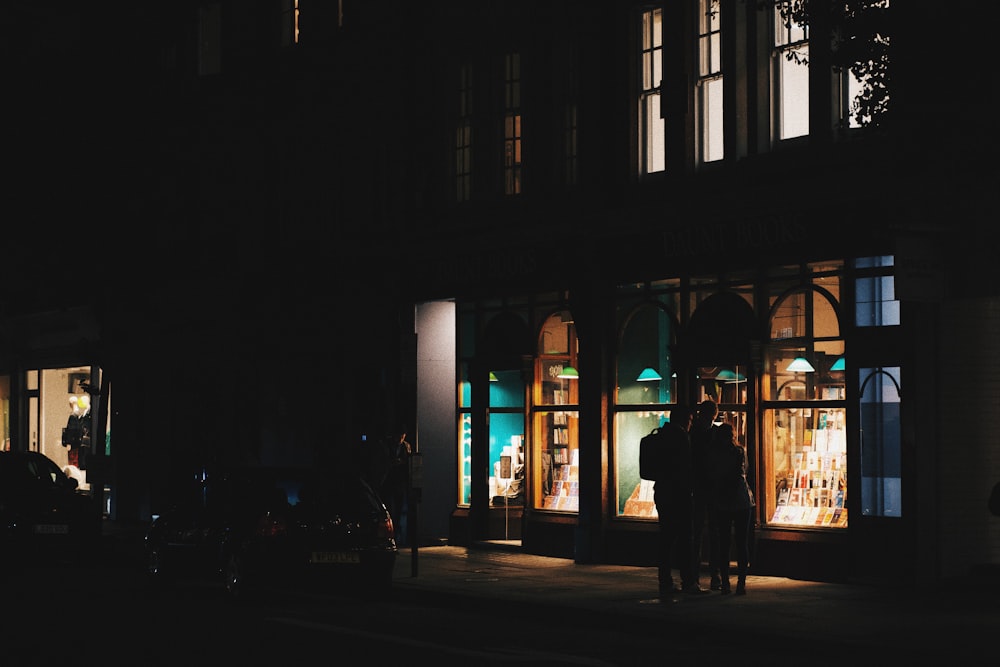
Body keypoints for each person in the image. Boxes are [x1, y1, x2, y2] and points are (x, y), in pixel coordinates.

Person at [653, 404, 709, 596]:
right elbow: (687, 467)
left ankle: (665, 580)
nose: (692, 424)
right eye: (691, 420)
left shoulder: (661, 434)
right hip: (680, 494)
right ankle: (688, 581)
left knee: (666, 538)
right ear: (686, 419)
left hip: (662, 491)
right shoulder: (681, 437)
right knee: (686, 538)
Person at [711, 422, 755, 595]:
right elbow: (746, 472)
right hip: (742, 500)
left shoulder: (714, 454)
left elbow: (712, 475)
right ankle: (741, 582)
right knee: (742, 542)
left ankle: (725, 582)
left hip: (722, 501)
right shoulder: (740, 451)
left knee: (724, 543)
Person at [690, 399, 721, 590]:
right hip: (712, 489)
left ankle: (694, 575)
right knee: (714, 533)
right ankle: (715, 575)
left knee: (696, 534)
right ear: (715, 414)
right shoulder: (717, 434)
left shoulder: (691, 433)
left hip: (696, 488)